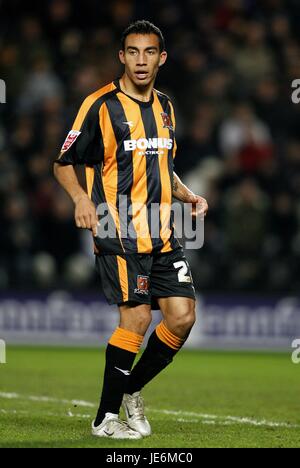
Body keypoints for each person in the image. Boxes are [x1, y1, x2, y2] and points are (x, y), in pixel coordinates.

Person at [54, 20, 208, 440]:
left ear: (162, 58)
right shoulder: (100, 105)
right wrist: (81, 199)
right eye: (133, 52)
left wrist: (187, 195)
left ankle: (131, 389)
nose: (141, 61)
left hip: (163, 232)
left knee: (182, 317)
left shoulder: (166, 107)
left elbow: (162, 167)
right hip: (118, 229)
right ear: (122, 57)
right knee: (137, 318)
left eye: (150, 52)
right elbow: (63, 162)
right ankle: (104, 418)